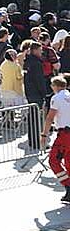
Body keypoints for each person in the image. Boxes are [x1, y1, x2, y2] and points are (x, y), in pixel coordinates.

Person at [40, 74, 70, 204]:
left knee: (53, 160)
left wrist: (44, 135)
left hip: (65, 134)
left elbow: (50, 117)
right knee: (68, 162)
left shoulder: (56, 98)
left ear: (55, 86)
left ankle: (67, 184)